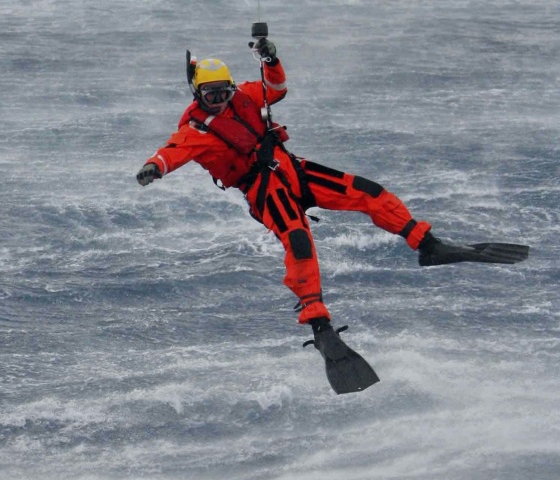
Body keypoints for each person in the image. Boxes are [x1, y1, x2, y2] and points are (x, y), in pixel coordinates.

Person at [134, 38, 523, 356]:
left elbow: (276, 88)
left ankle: (428, 244)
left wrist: (271, 58)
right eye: (210, 93)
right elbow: (172, 151)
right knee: (299, 240)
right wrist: (155, 168)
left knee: (368, 192)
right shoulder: (194, 131)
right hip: (263, 188)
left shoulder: (246, 98)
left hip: (292, 169)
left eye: (223, 91)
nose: (218, 99)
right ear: (196, 92)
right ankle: (319, 323)